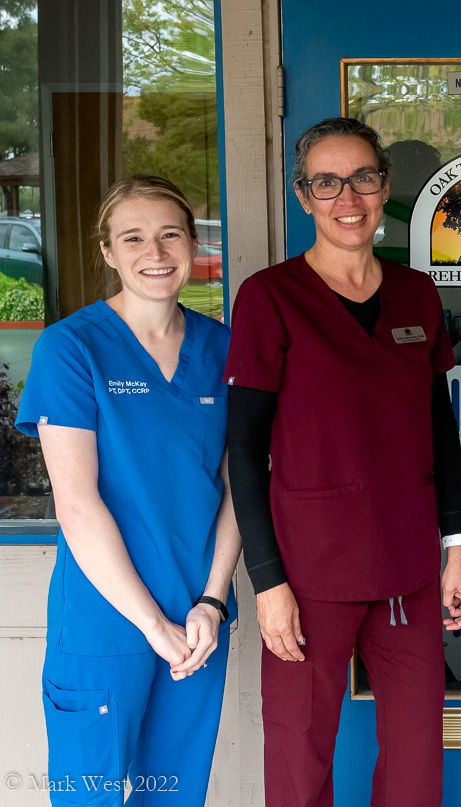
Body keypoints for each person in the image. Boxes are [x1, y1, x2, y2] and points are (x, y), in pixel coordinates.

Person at [224, 117, 461, 807]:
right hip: (309, 575)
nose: (348, 198)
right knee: (301, 761)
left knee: (417, 764)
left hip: (407, 568)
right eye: (327, 182)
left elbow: (438, 429)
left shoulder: (416, 294)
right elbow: (243, 451)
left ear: (384, 187)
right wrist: (268, 582)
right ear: (304, 196)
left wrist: (455, 548)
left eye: (363, 178)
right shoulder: (270, 299)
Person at [16, 174, 241, 806]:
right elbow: (77, 504)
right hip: (106, 620)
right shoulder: (72, 348)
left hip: (197, 619)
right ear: (108, 252)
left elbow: (239, 488)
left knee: (174, 793)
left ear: (194, 244)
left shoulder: (221, 347)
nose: (156, 252)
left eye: (171, 234)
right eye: (134, 237)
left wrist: (212, 602)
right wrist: (153, 625)